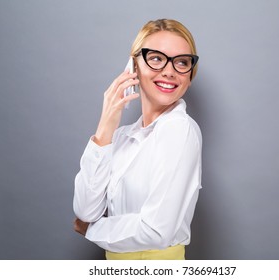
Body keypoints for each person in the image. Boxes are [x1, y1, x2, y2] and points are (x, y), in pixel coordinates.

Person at [73, 18, 202, 260]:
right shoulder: (120, 137)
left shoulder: (179, 128)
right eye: (155, 58)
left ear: (190, 74)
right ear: (133, 66)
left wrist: (92, 229)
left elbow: (156, 230)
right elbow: (85, 209)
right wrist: (105, 128)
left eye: (182, 62)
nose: (169, 71)